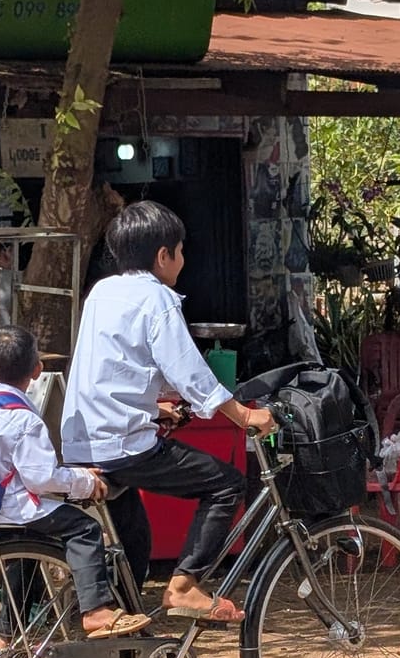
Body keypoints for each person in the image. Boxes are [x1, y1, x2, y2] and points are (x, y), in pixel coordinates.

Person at [61, 200, 275, 623]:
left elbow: (118, 366)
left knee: (134, 541)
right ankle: (185, 586)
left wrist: (155, 406)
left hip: (83, 441)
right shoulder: (157, 298)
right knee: (226, 485)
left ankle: (113, 638)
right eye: (180, 250)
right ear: (163, 255)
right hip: (123, 445)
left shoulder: (101, 293)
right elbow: (189, 371)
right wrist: (243, 415)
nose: (183, 260)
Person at [0, 325, 149, 639]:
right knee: (84, 530)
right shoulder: (23, 418)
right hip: (18, 505)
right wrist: (84, 481)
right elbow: (41, 478)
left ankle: (6, 636)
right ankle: (96, 610)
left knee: (25, 552)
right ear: (37, 370)